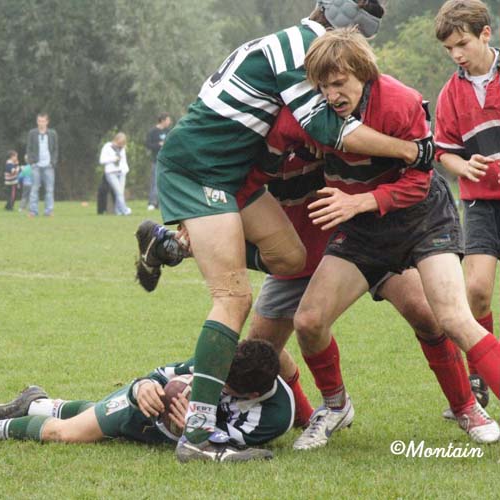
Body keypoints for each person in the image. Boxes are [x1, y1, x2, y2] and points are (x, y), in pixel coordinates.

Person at [134, 0, 436, 463]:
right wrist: (411, 151)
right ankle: (197, 436)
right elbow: (332, 130)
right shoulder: (301, 46)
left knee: (290, 258)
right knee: (234, 299)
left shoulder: (289, 41)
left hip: (232, 174)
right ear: (341, 26)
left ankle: (171, 246)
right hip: (201, 169)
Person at [289, 27, 500, 451]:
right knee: (308, 321)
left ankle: (467, 408)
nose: (331, 95)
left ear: (363, 73)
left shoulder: (400, 101)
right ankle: (335, 406)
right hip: (362, 227)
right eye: (323, 86)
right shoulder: (312, 112)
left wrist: (360, 200)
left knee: (451, 318)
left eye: (340, 83)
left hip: (422, 217)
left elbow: (419, 183)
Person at [0, 339, 287, 462]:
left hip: (166, 429)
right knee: (66, 434)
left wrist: (193, 425)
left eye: (223, 389)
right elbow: (160, 375)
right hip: (143, 406)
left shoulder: (273, 417)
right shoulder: (217, 362)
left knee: (97, 419)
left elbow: (222, 447)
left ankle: (35, 402)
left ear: (252, 395)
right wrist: (142, 386)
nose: (213, 388)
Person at [434, 0, 499, 412]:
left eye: (463, 44)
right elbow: (444, 153)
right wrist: (465, 166)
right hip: (479, 203)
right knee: (475, 290)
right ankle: (479, 378)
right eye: (449, 49)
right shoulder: (450, 94)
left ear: (485, 33)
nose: (456, 54)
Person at [26, 112, 58, 217]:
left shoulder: (52, 133)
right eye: (39, 121)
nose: (41, 123)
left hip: (48, 166)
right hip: (36, 165)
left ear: (47, 122)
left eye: (43, 121)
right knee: (34, 188)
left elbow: (55, 149)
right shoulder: (32, 133)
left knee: (49, 189)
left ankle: (49, 211)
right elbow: (29, 148)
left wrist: (53, 162)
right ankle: (33, 211)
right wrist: (31, 162)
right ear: (37, 121)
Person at [99, 132, 131, 216]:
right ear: (115, 140)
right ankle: (125, 210)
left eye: (122, 143)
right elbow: (102, 160)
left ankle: (118, 211)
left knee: (120, 193)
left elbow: (124, 161)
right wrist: (113, 159)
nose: (120, 145)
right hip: (111, 173)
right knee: (119, 192)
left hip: (122, 172)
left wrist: (125, 170)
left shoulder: (122, 149)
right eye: (119, 143)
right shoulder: (107, 146)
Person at [145, 112, 171, 211]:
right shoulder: (153, 132)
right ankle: (152, 203)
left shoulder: (169, 131)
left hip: (167, 161)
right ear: (163, 120)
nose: (169, 122)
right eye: (168, 120)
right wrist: (158, 144)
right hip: (156, 160)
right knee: (155, 182)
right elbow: (148, 145)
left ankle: (162, 204)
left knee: (165, 183)